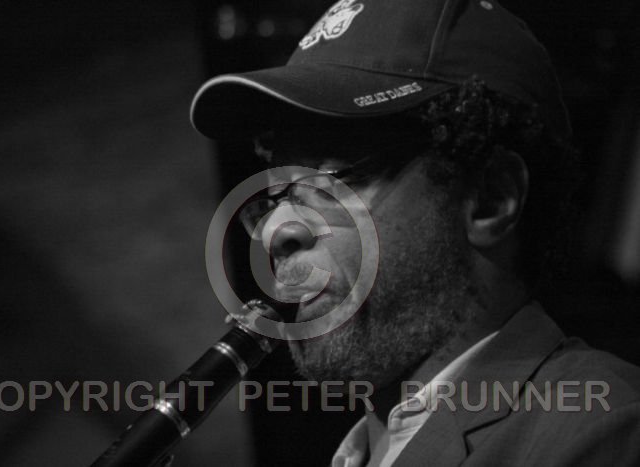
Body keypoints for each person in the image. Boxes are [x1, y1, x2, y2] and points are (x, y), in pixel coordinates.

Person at [190, 0, 640, 465]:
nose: (274, 231)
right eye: (278, 192)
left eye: (334, 177)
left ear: (491, 199)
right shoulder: (360, 452)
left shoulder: (604, 433)